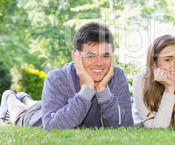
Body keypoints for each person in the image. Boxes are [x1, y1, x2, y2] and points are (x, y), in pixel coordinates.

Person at [0, 22, 134, 129]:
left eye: (105, 55)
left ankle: (25, 99)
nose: (99, 63)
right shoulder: (56, 79)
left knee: (38, 104)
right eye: (91, 56)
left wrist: (103, 90)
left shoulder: (116, 76)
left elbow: (126, 125)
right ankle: (11, 97)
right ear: (76, 57)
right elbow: (53, 127)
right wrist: (88, 88)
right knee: (24, 114)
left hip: (55, 107)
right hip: (37, 116)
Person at [132, 35, 175, 129]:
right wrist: (169, 88)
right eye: (168, 59)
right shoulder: (140, 81)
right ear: (154, 64)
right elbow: (158, 128)